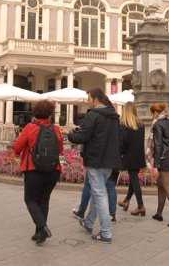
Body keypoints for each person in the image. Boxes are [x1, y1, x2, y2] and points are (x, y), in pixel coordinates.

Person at [61, 88, 121, 244]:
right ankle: (88, 223)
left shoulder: (92, 115)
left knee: (99, 195)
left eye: (88, 98)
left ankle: (106, 232)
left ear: (95, 99)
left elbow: (83, 137)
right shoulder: (114, 116)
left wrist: (68, 134)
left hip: (96, 160)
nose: (87, 101)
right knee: (97, 193)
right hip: (110, 160)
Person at [12, 100, 63, 245]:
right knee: (44, 200)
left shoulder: (30, 127)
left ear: (35, 113)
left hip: (33, 169)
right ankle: (39, 233)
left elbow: (17, 146)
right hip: (53, 170)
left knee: (30, 199)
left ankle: (43, 228)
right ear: (50, 113)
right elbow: (59, 149)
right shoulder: (56, 129)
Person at [117, 102, 146, 216]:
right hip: (138, 155)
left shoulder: (124, 124)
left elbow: (123, 143)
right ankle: (126, 201)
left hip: (129, 155)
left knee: (134, 180)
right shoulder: (141, 124)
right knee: (133, 179)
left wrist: (121, 154)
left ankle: (140, 206)